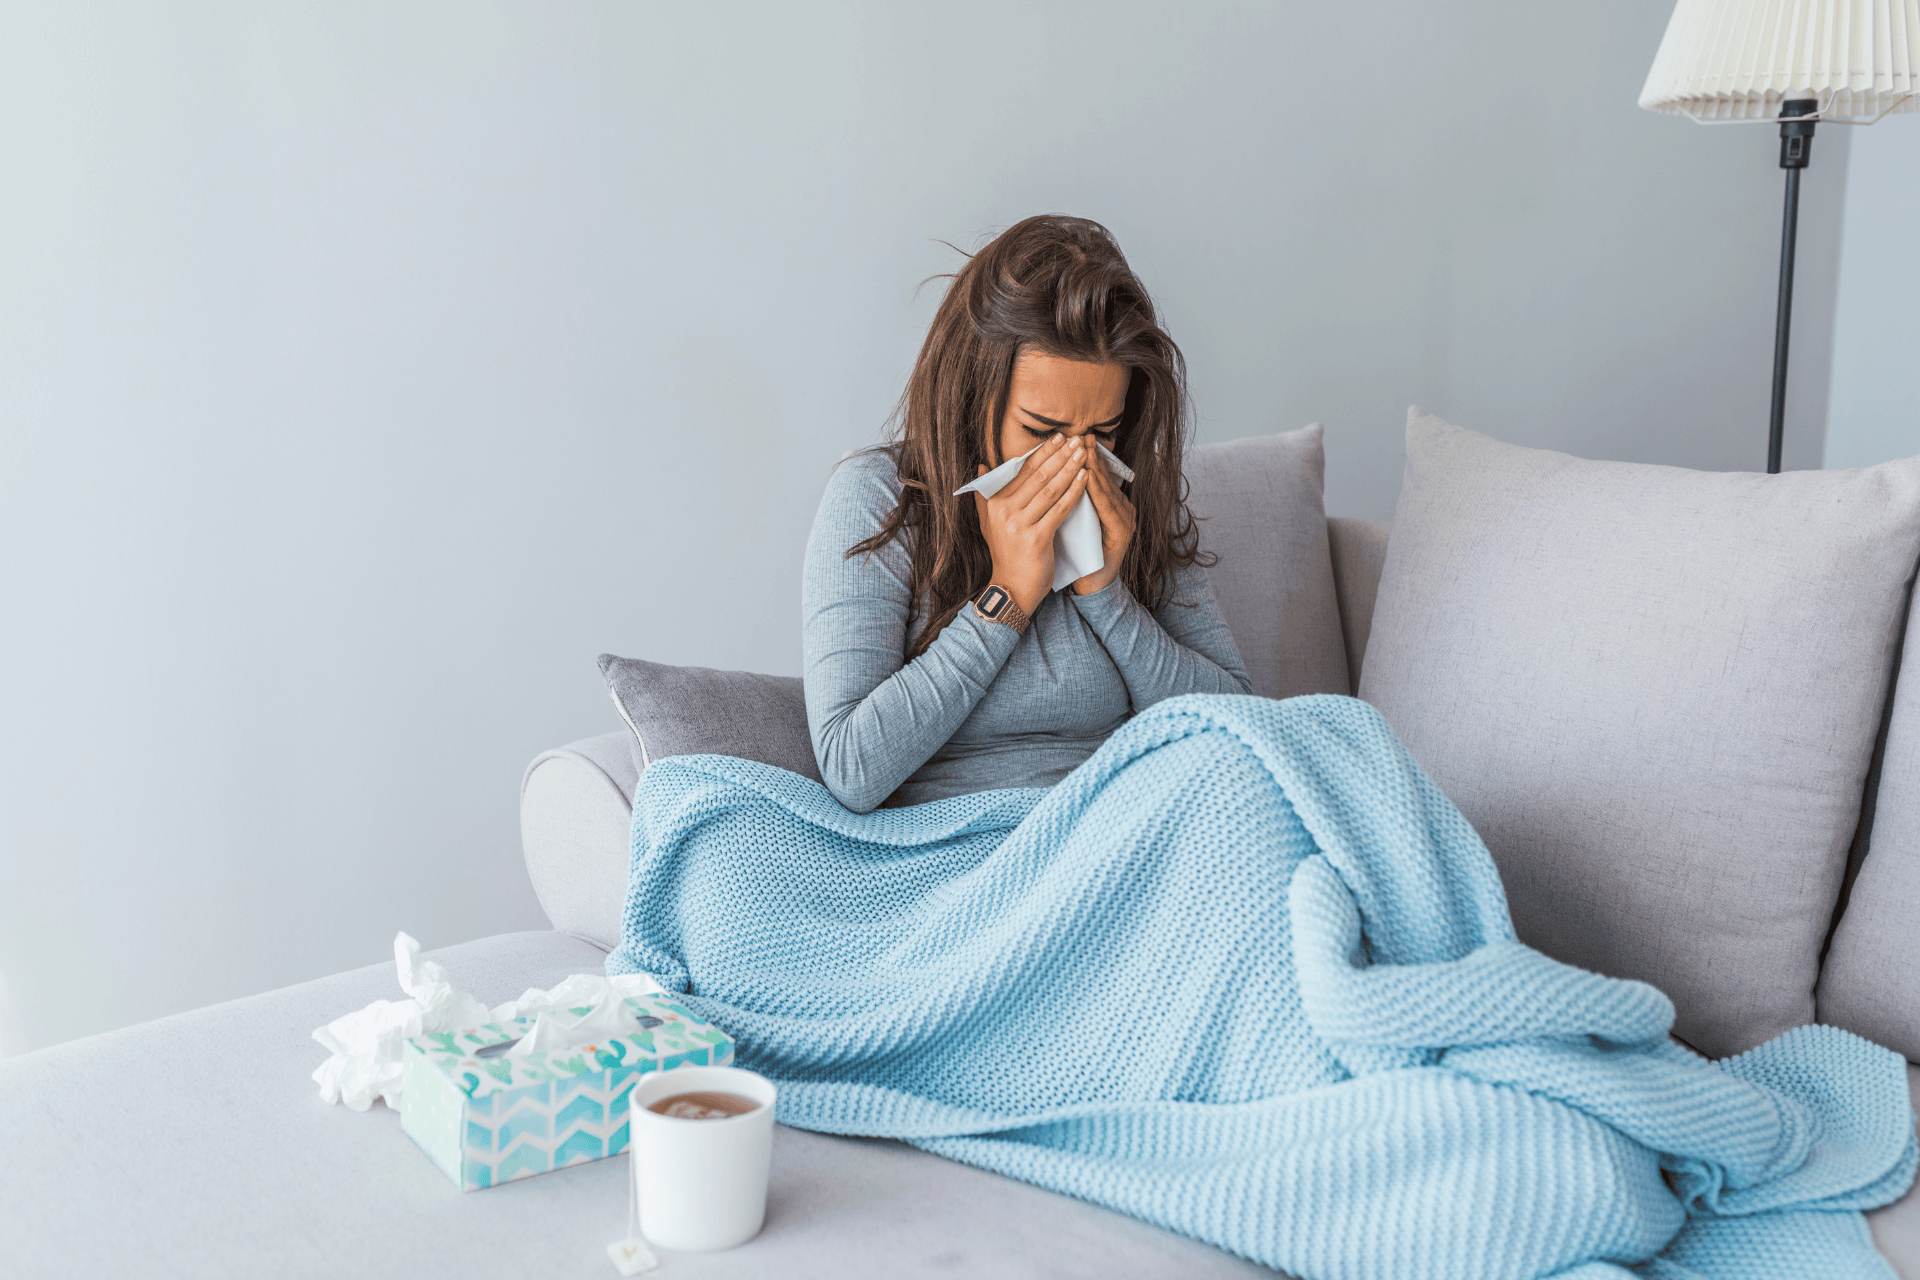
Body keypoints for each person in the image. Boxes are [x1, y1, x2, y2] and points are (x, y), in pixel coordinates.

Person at [802, 214, 1252, 813]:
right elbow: (852, 767)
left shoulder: (1130, 502)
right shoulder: (878, 498)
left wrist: (1107, 596)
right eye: (1041, 430)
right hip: (968, 846)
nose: (1074, 462)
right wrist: (1008, 595)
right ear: (970, 396)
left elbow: (1241, 725)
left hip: (1130, 818)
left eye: (1103, 432)